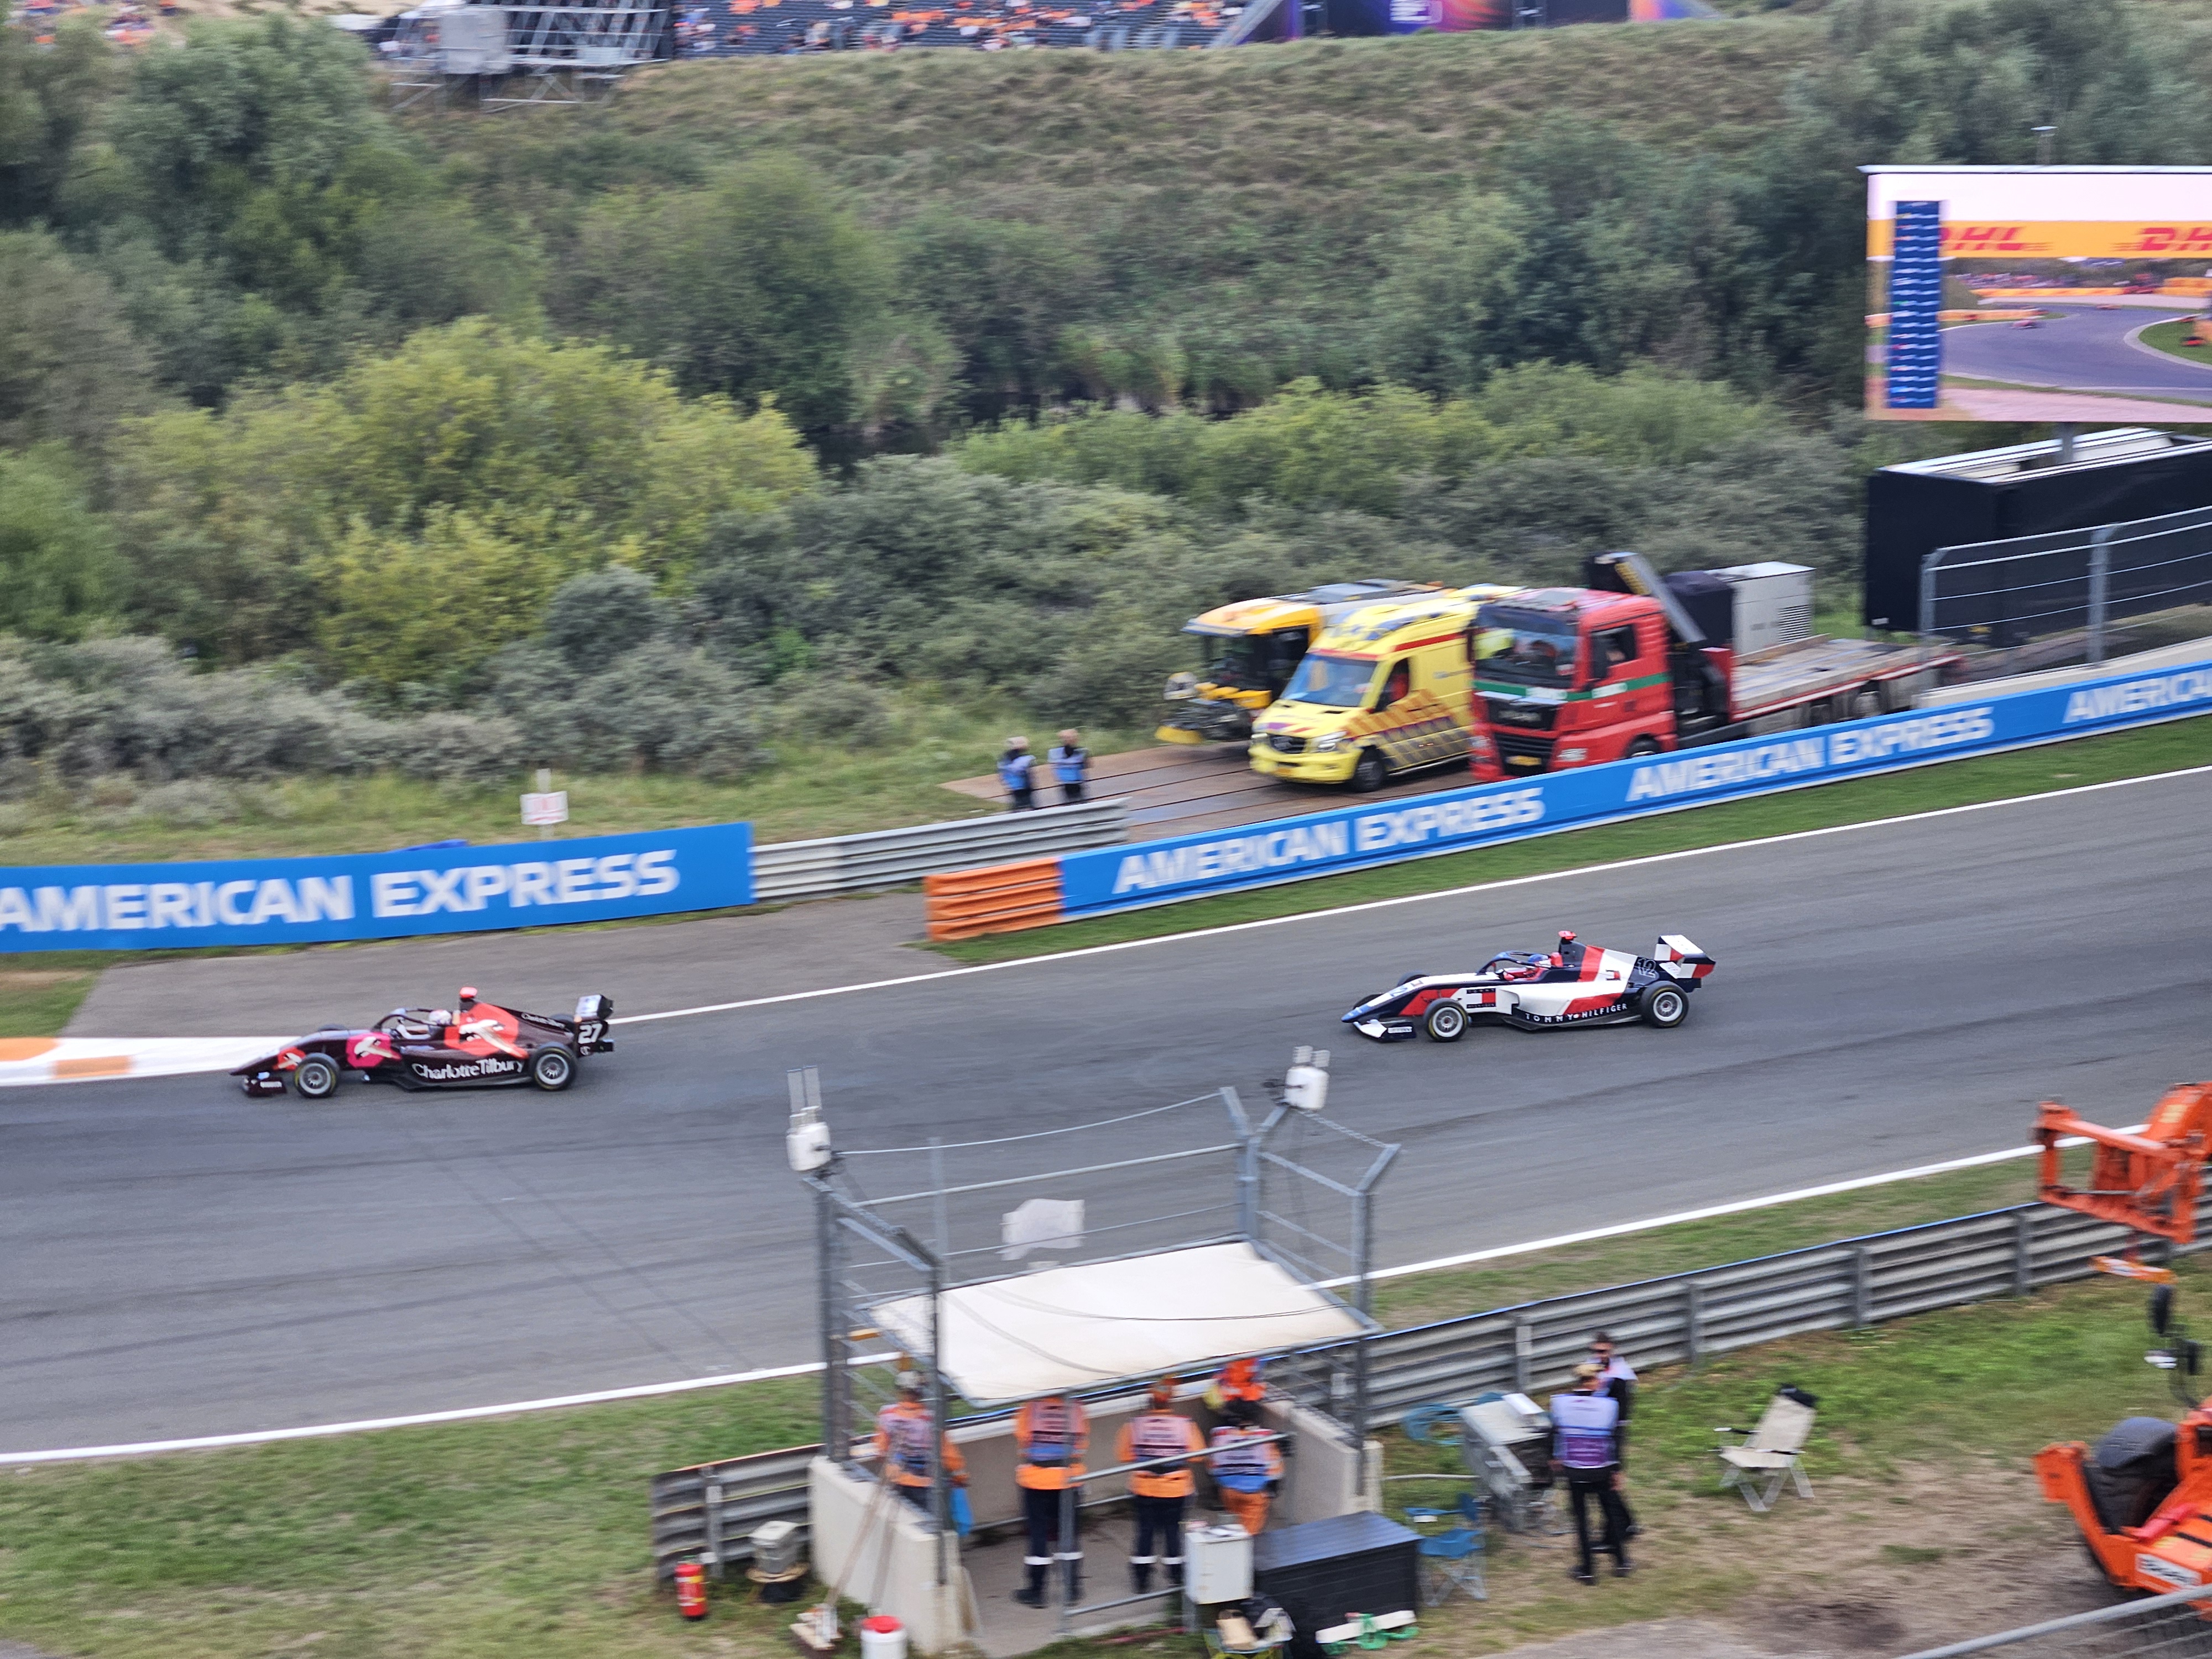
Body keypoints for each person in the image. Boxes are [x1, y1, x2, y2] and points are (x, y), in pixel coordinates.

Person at [1115, 1376, 1205, 1594]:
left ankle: (1141, 1581)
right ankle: (1176, 1576)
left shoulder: (1134, 1424)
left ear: (1150, 1400)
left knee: (1145, 1532)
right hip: (1176, 1488)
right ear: (1170, 1400)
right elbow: (1198, 1456)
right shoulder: (1185, 1424)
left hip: (1144, 1488)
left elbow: (1124, 1455)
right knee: (1173, 1531)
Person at [1550, 1361, 1631, 1585]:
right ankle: (1622, 1562)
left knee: (1582, 1521)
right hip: (1602, 1471)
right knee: (1611, 1515)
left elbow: (1554, 1434)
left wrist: (1554, 1458)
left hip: (1575, 1472)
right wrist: (1617, 1470)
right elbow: (1615, 1440)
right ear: (1592, 1381)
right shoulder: (1609, 1406)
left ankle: (1587, 1570)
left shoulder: (1561, 1403)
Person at [1013, 1389, 1089, 1607]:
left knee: (1038, 1535)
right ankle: (1072, 1590)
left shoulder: (1030, 1408)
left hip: (1036, 1480)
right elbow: (1082, 1442)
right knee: (1068, 1533)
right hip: (1068, 1479)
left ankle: (1037, 1592)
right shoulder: (1077, 1408)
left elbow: (1023, 1437)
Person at [874, 1370, 967, 1515]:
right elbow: (947, 1453)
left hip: (896, 1480)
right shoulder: (929, 1419)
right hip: (924, 1484)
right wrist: (960, 1476)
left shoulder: (886, 1414)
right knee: (931, 1521)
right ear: (920, 1392)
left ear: (899, 1390)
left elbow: (881, 1449)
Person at [1589, 1332, 1640, 1538]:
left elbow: (1623, 1414)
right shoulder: (1590, 1368)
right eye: (1596, 1351)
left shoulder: (1621, 1375)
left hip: (1612, 1432)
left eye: (1603, 1351)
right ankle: (1626, 1523)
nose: (1599, 1355)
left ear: (1611, 1349)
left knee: (1609, 1480)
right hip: (1595, 1432)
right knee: (1604, 1482)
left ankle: (1617, 1528)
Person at [1208, 1397, 1282, 1537]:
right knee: (1249, 1537)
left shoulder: (1221, 1435)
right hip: (1255, 1493)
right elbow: (1275, 1469)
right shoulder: (1266, 1437)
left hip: (1228, 1491)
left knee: (1234, 1529)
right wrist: (1271, 1491)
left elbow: (1213, 1467)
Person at [1047, 730, 1091, 806]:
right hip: (1068, 783)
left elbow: (1086, 765)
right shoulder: (1080, 751)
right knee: (1075, 804)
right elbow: (1085, 765)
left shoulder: (1080, 751)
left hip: (1075, 783)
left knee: (1078, 804)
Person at [998, 736, 1036, 811]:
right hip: (1021, 785)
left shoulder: (1005, 757)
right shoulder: (1023, 758)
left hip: (1013, 785)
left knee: (1018, 805)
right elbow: (1018, 768)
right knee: (1025, 805)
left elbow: (1002, 770)